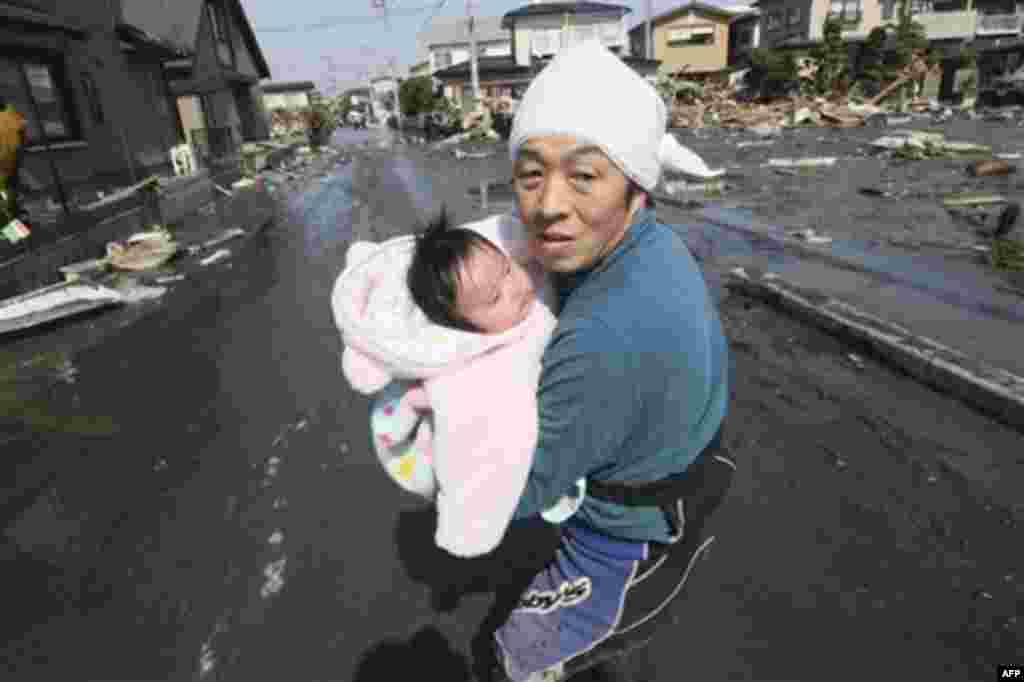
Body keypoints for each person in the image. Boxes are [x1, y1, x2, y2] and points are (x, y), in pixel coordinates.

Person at [485, 40, 735, 682]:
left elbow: (511, 493)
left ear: (636, 185)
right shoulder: (650, 246)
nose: (548, 206)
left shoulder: (602, 337)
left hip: (625, 542)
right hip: (687, 471)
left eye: (585, 175)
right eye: (531, 173)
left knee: (519, 659)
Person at [331, 210, 585, 559]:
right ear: (463, 326)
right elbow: (477, 453)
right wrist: (469, 526)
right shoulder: (481, 373)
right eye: (494, 298)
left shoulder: (517, 284)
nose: (517, 288)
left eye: (508, 269)